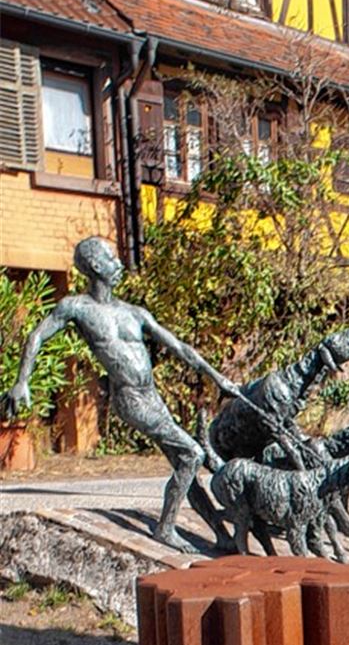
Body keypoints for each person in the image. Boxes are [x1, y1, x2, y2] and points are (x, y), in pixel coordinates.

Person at [2, 236, 241, 552]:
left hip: (151, 394)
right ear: (97, 266)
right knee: (192, 454)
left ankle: (221, 536)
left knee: (183, 462)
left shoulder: (134, 312)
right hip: (129, 398)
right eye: (113, 259)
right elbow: (36, 337)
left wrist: (218, 378)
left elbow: (179, 348)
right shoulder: (76, 307)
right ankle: (165, 530)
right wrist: (22, 382)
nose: (119, 265)